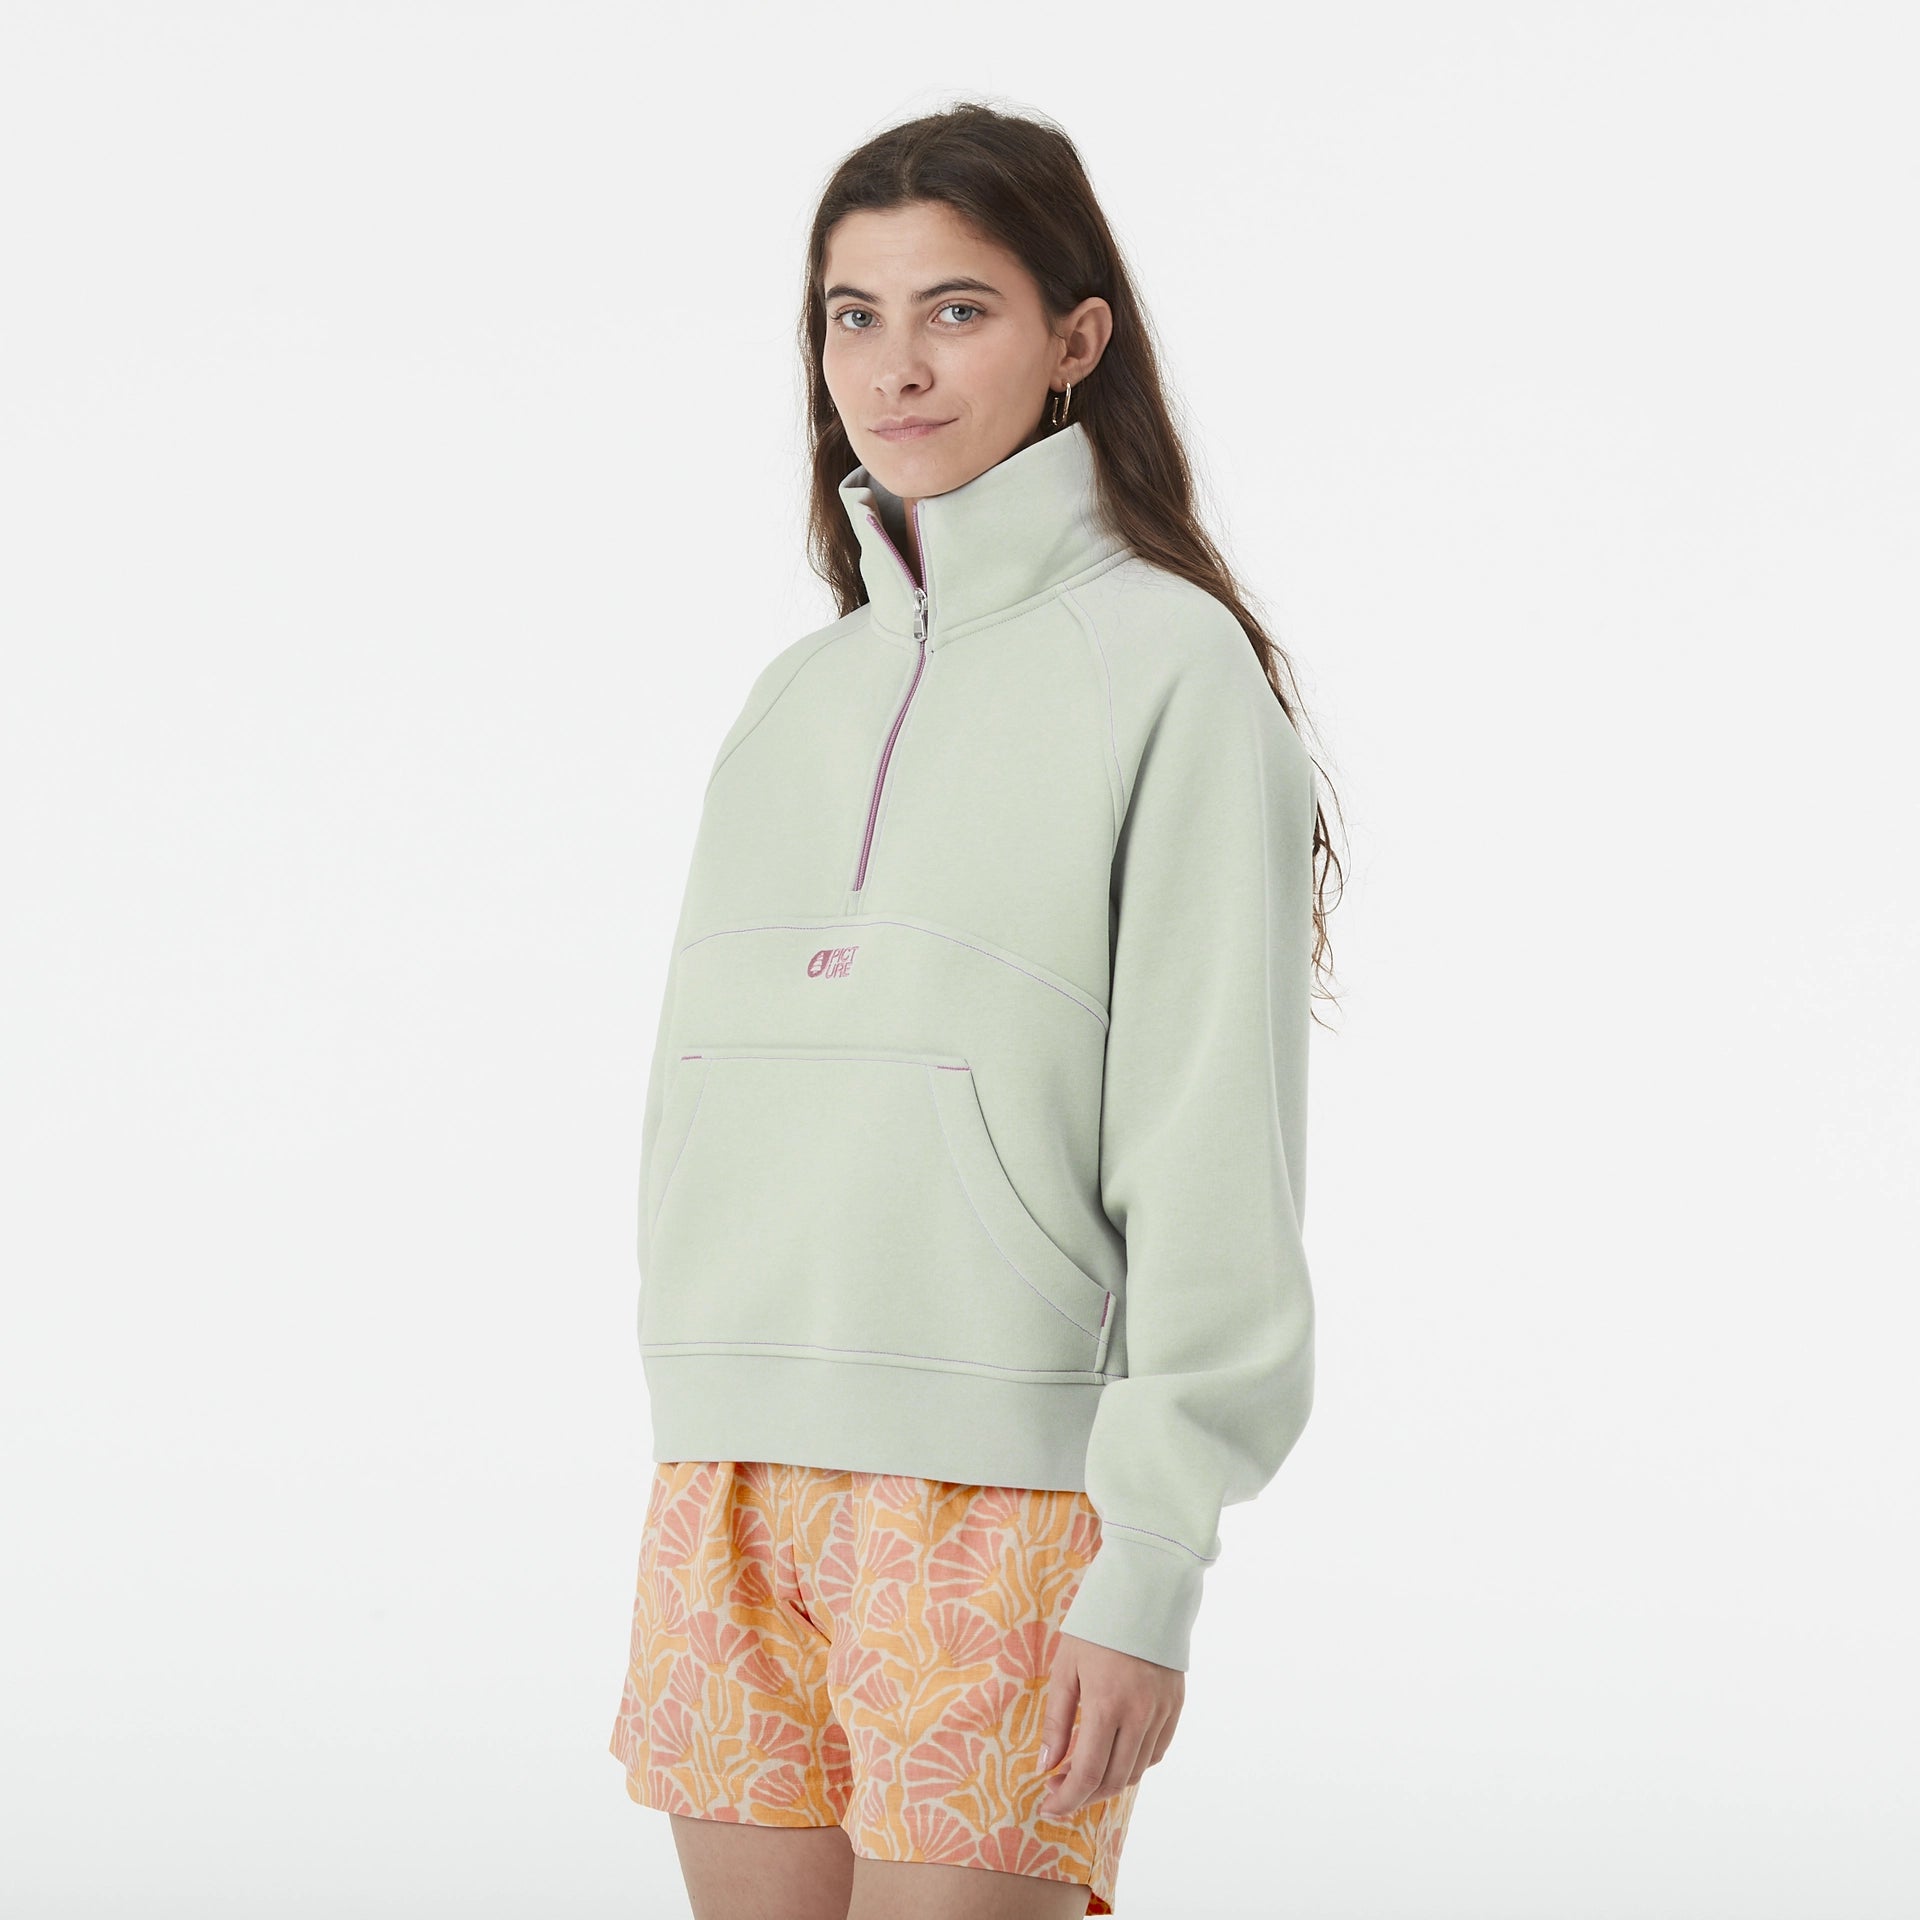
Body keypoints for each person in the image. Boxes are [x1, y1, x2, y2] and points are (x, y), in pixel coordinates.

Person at [608, 99, 1344, 1919]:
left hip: (1002, 1499)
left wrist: (1151, 1557)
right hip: (731, 1480)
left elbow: (1211, 1142)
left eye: (957, 309)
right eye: (851, 315)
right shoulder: (794, 698)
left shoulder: (1170, 672)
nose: (896, 366)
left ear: (1075, 339)